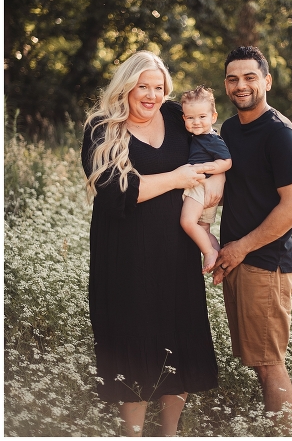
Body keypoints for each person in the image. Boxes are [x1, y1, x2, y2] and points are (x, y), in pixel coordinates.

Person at [81, 51, 218, 436]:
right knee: (133, 343)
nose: (151, 95)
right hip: (124, 256)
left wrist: (205, 221)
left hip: (176, 253)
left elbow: (212, 151)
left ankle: (170, 432)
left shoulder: (177, 116)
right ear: (126, 87)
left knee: (180, 339)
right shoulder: (102, 128)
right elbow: (113, 192)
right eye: (143, 86)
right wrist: (176, 178)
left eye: (158, 88)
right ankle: (134, 433)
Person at [210, 46, 292, 430]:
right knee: (259, 362)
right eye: (233, 78)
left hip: (266, 267)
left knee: (270, 366)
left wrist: (240, 247)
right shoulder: (231, 129)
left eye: (250, 77)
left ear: (266, 81)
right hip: (238, 263)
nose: (241, 85)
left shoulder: (279, 133)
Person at [180, 86, 232, 273]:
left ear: (213, 117)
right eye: (190, 117)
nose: (196, 122)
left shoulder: (212, 139)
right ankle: (218, 257)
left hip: (201, 187)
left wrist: (203, 169)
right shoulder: (198, 137)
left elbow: (226, 162)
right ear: (184, 118)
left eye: (202, 117)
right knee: (204, 230)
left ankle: (209, 252)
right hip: (203, 189)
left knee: (187, 222)